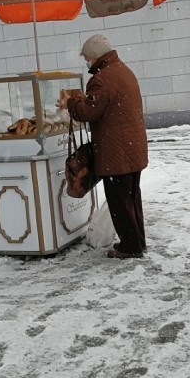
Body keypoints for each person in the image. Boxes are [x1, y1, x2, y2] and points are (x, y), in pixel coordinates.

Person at [56, 34, 148, 259]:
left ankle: (130, 247)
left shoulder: (102, 79)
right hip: (132, 148)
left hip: (117, 152)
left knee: (120, 201)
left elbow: (87, 112)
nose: (87, 62)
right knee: (132, 198)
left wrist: (70, 101)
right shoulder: (124, 71)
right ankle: (137, 241)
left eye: (87, 58)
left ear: (96, 56)